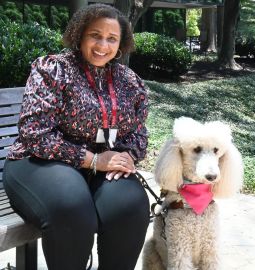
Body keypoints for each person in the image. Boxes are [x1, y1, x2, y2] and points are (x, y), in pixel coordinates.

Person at [3, 4, 149, 270]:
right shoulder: (53, 70)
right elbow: (35, 134)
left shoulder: (129, 81)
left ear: (121, 43)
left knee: (130, 205)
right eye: (95, 35)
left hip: (99, 168)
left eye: (111, 38)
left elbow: (138, 132)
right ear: (80, 34)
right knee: (71, 208)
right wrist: (93, 160)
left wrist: (128, 154)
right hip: (39, 162)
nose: (102, 45)